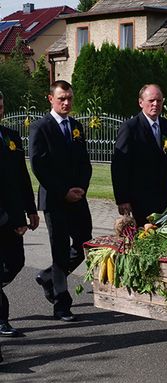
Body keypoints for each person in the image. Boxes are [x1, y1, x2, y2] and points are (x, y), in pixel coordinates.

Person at [29, 80, 92, 322]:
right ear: (50, 99)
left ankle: (47, 277)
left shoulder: (76, 127)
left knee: (84, 242)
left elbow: (84, 162)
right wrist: (63, 191)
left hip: (77, 197)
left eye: (69, 98)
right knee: (59, 250)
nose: (66, 102)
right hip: (55, 199)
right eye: (61, 98)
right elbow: (39, 165)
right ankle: (61, 303)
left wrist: (81, 189)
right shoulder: (40, 127)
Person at [111, 84, 167, 226]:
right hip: (139, 196)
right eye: (151, 101)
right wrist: (122, 199)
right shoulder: (130, 128)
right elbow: (119, 166)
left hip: (162, 194)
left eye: (159, 101)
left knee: (160, 235)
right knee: (143, 236)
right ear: (141, 102)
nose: (155, 104)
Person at [0, 90, 39, 336]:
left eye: (1, 104)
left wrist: (30, 210)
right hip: (3, 217)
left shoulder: (11, 136)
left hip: (13, 215)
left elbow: (22, 178)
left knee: (16, 262)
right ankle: (2, 321)